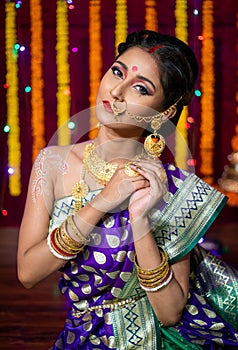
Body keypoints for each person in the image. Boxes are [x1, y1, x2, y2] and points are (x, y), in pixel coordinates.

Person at [17, 30, 238, 349]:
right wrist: (103, 202)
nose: (116, 91)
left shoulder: (173, 188)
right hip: (80, 336)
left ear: (164, 112)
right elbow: (27, 273)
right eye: (117, 71)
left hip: (158, 338)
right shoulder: (52, 163)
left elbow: (171, 312)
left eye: (140, 88)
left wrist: (140, 218)